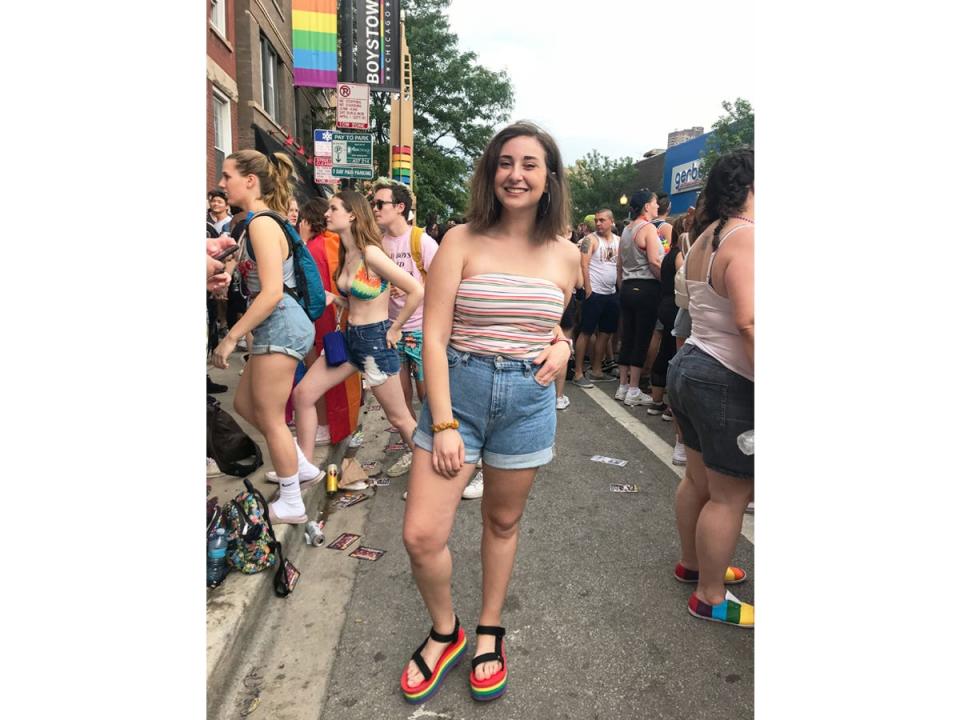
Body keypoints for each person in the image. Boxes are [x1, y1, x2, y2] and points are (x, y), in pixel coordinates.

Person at [399, 121, 578, 704]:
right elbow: (433, 334)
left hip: (527, 402)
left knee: (502, 523)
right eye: (505, 162)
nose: (516, 174)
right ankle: (446, 630)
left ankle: (489, 630)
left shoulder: (568, 255)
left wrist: (564, 345)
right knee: (423, 535)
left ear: (548, 177)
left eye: (529, 163)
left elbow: (545, 317)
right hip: (462, 394)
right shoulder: (461, 240)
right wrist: (444, 422)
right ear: (491, 172)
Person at [211, 149, 331, 525]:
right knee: (247, 405)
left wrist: (231, 336)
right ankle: (299, 464)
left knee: (270, 415)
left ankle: (292, 500)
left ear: (250, 180)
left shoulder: (263, 223)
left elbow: (272, 292)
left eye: (227, 175)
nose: (220, 183)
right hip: (275, 325)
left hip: (280, 324)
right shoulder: (256, 223)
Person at [667, 148, 754, 628]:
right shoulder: (746, 238)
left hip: (693, 365)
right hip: (727, 377)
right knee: (729, 495)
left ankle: (696, 565)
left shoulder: (707, 236)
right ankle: (710, 595)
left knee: (698, 481)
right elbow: (750, 320)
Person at [291, 191, 425, 475]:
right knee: (303, 395)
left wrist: (396, 327)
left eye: (334, 208)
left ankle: (434, 476)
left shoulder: (371, 253)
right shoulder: (346, 252)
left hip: (375, 342)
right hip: (351, 340)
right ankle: (302, 467)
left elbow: (416, 290)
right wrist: (335, 298)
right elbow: (359, 300)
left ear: (352, 214)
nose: (326, 214)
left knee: (400, 418)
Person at [616, 189, 662, 406]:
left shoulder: (626, 230)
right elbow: (654, 261)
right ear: (646, 206)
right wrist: (666, 281)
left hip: (626, 287)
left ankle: (623, 385)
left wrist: (621, 284)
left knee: (627, 336)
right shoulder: (648, 228)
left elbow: (619, 264)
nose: (658, 206)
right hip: (646, 287)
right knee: (641, 338)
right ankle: (634, 388)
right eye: (654, 203)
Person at [571, 209, 620, 388]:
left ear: (611, 221)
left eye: (602, 220)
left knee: (606, 333)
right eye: (597, 220)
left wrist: (618, 288)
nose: (598, 223)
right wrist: (588, 288)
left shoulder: (617, 241)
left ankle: (597, 369)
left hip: (611, 293)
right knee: (586, 331)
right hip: (595, 293)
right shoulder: (590, 240)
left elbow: (619, 265)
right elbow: (583, 264)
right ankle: (578, 372)